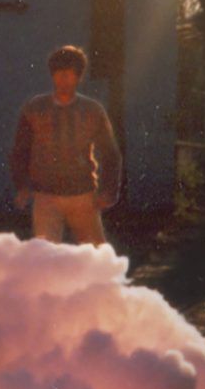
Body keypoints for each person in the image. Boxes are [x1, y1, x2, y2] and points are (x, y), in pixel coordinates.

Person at [9, 45, 122, 245]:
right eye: (59, 74)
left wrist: (108, 191)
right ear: (53, 76)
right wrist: (22, 185)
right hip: (45, 197)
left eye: (69, 74)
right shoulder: (34, 108)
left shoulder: (92, 110)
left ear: (78, 77)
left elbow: (110, 153)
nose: (63, 79)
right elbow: (20, 150)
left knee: (95, 257)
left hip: (83, 196)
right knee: (46, 258)